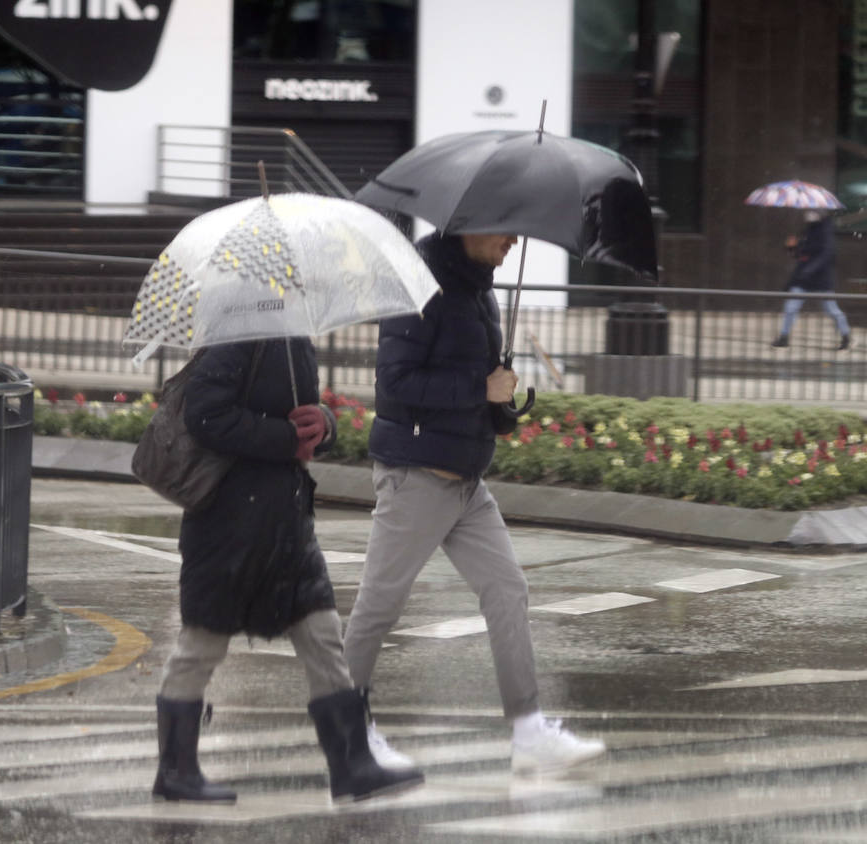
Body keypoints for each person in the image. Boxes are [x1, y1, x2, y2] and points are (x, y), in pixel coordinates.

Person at [342, 231, 607, 774]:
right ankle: (344, 729)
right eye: (504, 229)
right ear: (470, 227)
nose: (514, 239)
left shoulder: (479, 291)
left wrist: (502, 404)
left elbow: (479, 388)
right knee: (378, 608)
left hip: (466, 481)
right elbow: (394, 383)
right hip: (416, 477)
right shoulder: (418, 286)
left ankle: (529, 731)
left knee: (508, 590)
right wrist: (476, 388)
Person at [152, 337, 424, 804]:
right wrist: (283, 437)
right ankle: (175, 771)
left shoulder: (292, 336)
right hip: (230, 528)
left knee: (322, 636)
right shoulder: (236, 339)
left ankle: (351, 763)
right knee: (201, 645)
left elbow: (299, 412)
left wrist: (325, 424)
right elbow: (204, 415)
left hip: (285, 523)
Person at [770, 210, 851, 350]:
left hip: (820, 278)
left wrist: (810, 268)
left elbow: (826, 254)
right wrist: (792, 247)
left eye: (812, 211)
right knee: (791, 307)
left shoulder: (826, 231)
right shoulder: (808, 230)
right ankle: (784, 337)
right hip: (803, 278)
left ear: (821, 214)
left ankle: (846, 336)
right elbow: (801, 253)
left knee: (831, 309)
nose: (808, 214)